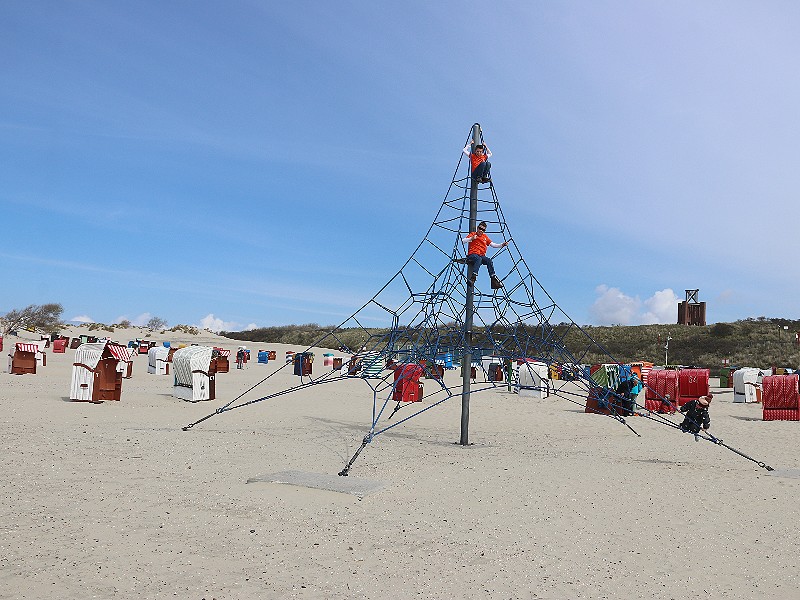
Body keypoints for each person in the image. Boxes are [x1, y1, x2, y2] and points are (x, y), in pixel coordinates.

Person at [462, 221, 508, 288]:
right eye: (480, 228)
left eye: (483, 229)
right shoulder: (473, 234)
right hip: (472, 254)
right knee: (478, 259)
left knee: (489, 260)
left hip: (481, 255)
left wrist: (502, 245)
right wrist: (471, 238)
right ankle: (473, 278)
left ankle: (493, 279)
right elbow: (463, 241)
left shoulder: (485, 237)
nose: (481, 230)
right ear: (477, 228)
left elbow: (493, 245)